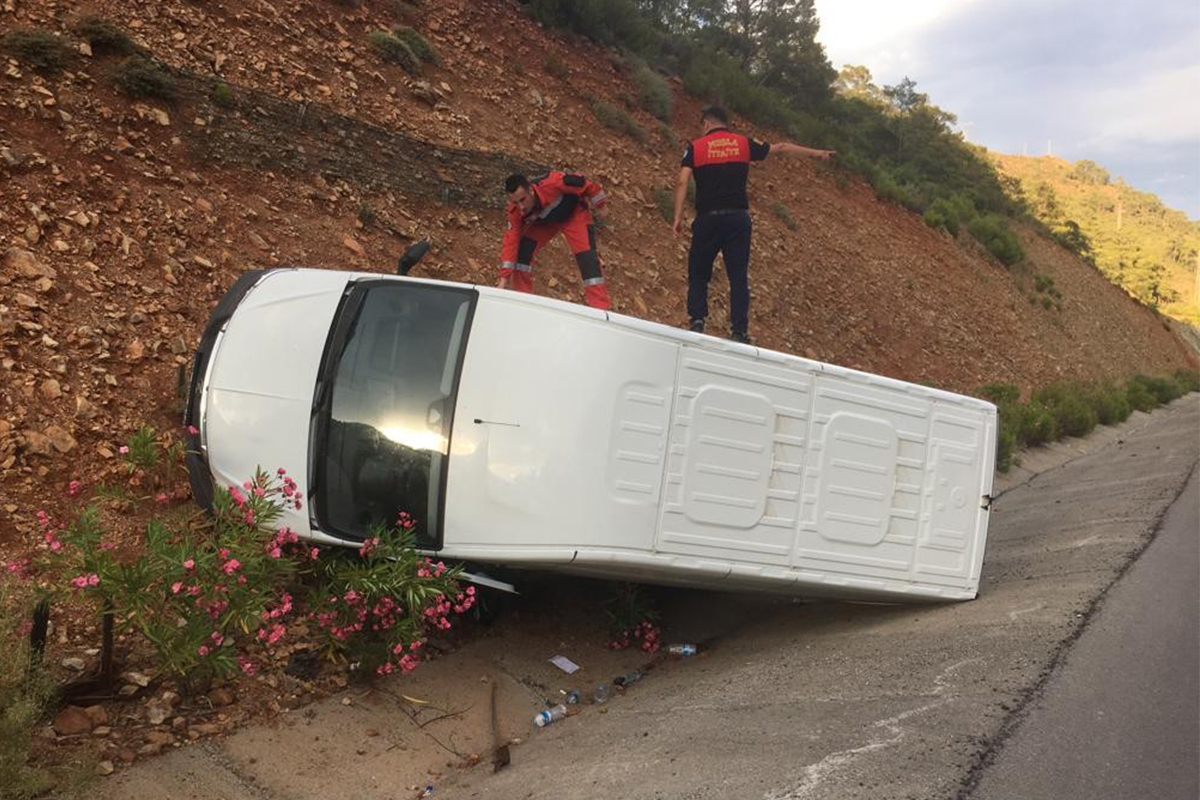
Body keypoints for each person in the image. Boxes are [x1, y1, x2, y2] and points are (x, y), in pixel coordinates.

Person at [672, 106, 835, 343]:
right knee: (738, 275)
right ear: (724, 123)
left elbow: (681, 181)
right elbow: (782, 148)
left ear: (706, 124)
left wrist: (677, 216)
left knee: (698, 273)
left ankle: (697, 321)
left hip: (707, 219)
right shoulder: (743, 143)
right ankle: (739, 331)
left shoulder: (694, 148)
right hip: (738, 219)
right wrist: (817, 153)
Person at [498, 171, 611, 310]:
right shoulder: (515, 211)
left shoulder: (554, 182)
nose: (521, 206)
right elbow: (511, 241)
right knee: (522, 253)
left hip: (574, 215)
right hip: (546, 223)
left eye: (523, 200)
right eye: (515, 202)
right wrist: (504, 279)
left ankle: (600, 308)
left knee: (587, 259)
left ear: (531, 191)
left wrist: (600, 205)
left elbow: (583, 183)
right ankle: (523, 300)